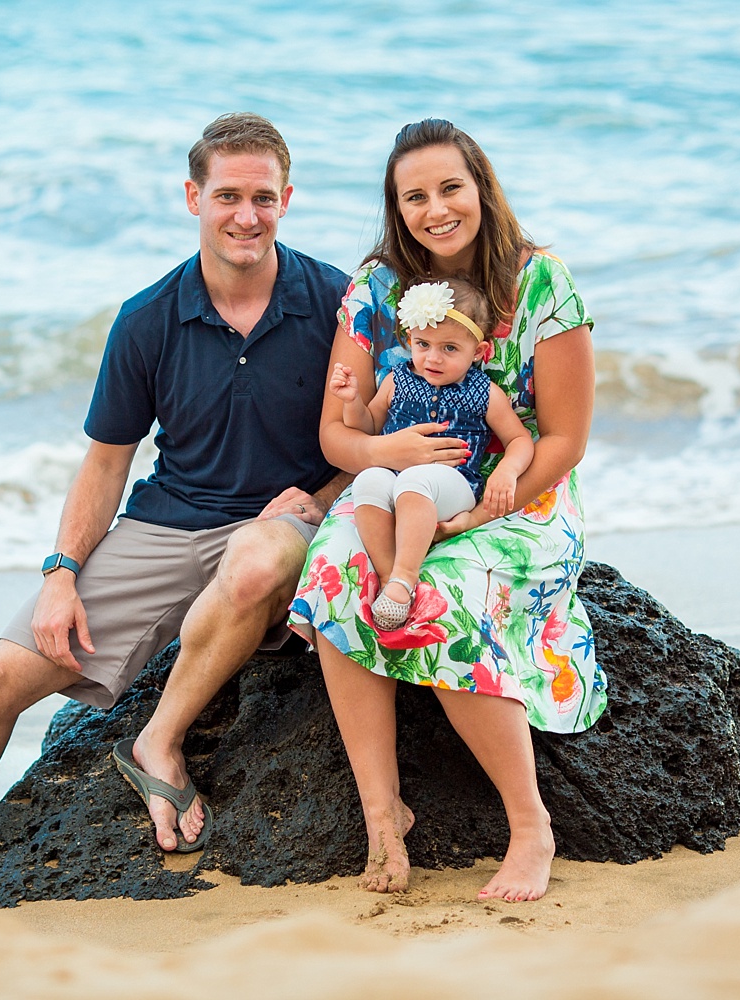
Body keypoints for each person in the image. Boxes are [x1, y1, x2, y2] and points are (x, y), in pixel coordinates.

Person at [0, 112, 350, 903]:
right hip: (166, 524)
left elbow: (377, 434)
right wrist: (63, 572)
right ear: (192, 197)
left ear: (288, 199)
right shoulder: (148, 318)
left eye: (265, 198)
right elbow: (107, 462)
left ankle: (158, 745)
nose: (247, 216)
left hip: (283, 529)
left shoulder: (338, 303)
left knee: (261, 557)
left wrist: (317, 500)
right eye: (228, 196)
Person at [289, 118, 603, 904]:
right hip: (396, 487)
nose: (436, 210)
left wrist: (490, 508)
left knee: (444, 594)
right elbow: (338, 433)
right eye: (415, 196)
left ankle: (531, 827)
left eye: (450, 188)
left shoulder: (542, 283)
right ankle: (382, 815)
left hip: (517, 497)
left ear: (480, 188)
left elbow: (565, 439)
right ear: (397, 208)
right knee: (333, 570)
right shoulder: (375, 289)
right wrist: (386, 453)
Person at [327, 277, 533, 630]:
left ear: (479, 352)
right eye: (423, 344)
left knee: (415, 480)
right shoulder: (397, 380)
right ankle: (391, 575)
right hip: (398, 478)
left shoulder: (483, 393)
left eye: (450, 348)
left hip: (453, 484)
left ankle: (405, 578)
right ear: (410, 341)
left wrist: (506, 472)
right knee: (370, 479)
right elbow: (368, 425)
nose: (433, 358)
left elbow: (520, 440)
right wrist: (351, 402)